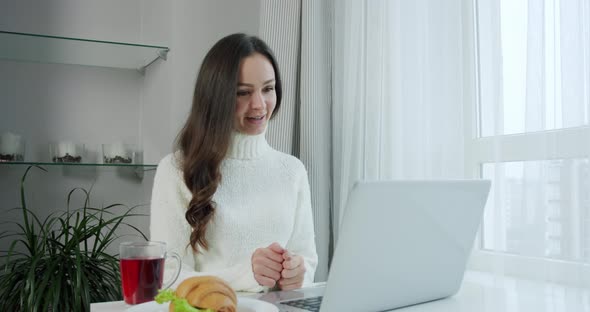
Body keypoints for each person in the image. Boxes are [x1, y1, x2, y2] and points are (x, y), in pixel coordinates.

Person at [150, 33, 318, 292]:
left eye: (268, 89)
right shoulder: (175, 170)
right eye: (243, 93)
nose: (260, 105)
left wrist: (298, 274)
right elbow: (167, 278)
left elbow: (306, 261)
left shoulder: (292, 171)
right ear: (216, 97)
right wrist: (245, 275)